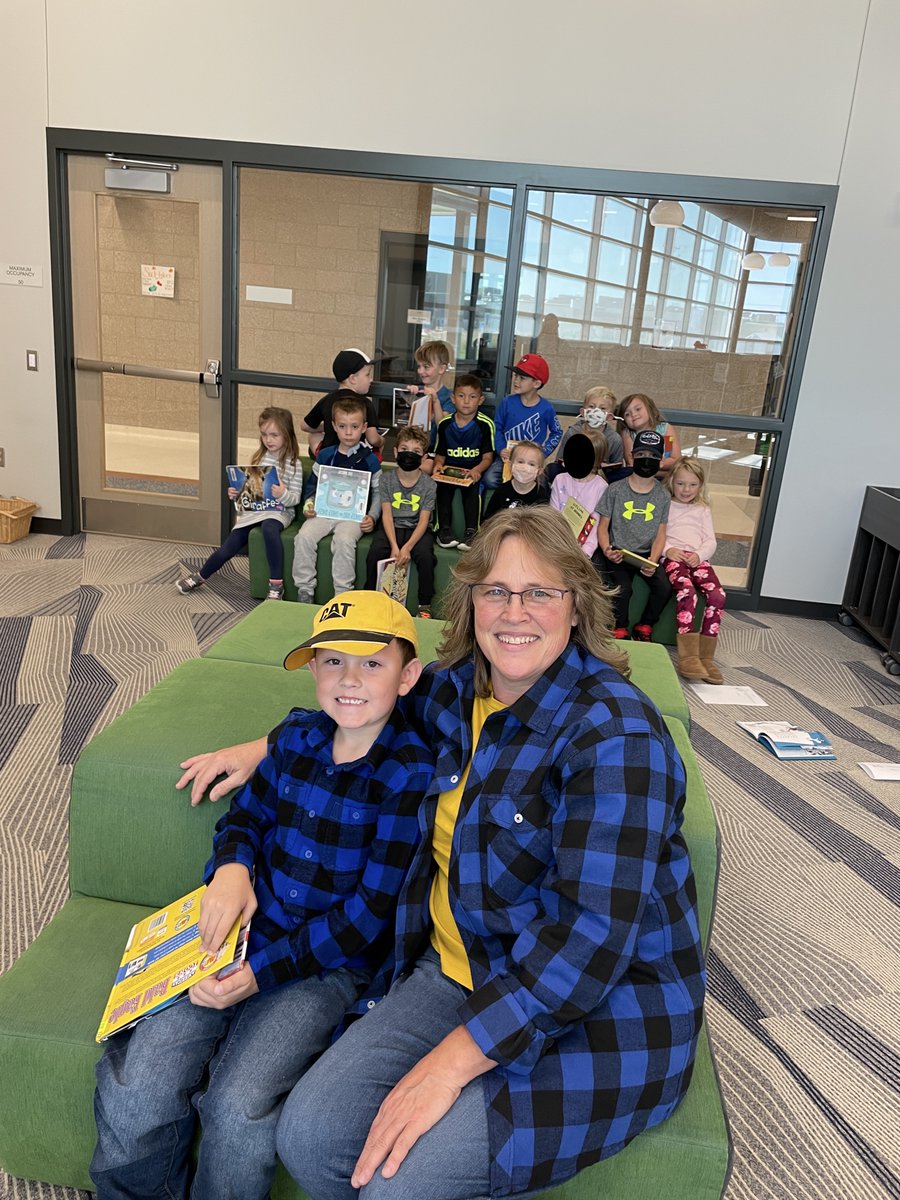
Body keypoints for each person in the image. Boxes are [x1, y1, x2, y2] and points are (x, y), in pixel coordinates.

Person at [177, 506, 704, 1200]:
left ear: (576, 607)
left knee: (399, 1181)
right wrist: (261, 750)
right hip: (458, 969)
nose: (515, 612)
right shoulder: (457, 690)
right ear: (471, 602)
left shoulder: (616, 735)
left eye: (540, 592)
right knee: (309, 1138)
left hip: (599, 1011)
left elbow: (588, 942)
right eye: (496, 591)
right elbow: (359, 706)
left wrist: (449, 1065)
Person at [91, 593, 433, 1200]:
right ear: (312, 669)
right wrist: (232, 869)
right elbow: (243, 821)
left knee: (238, 1107)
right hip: (236, 933)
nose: (348, 680)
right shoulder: (297, 738)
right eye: (331, 662)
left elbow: (365, 920)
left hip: (321, 970)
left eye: (372, 664)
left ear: (407, 676)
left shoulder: (407, 774)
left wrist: (258, 974)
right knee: (138, 1083)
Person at [176, 406, 303, 602]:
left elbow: (295, 499)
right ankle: (200, 576)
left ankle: (276, 584)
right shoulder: (259, 458)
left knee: (270, 529)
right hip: (255, 511)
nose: (268, 440)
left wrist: (283, 493)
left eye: (274, 435)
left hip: (280, 512)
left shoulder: (295, 464)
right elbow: (249, 490)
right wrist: (235, 493)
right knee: (229, 546)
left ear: (287, 435)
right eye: (264, 435)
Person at [293, 397, 381, 604]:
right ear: (334, 426)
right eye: (342, 426)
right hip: (324, 512)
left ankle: (342, 595)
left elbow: (378, 493)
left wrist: (373, 517)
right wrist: (309, 504)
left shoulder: (370, 460)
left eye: (354, 426)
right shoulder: (325, 456)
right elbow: (312, 487)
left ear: (364, 428)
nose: (348, 432)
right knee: (303, 537)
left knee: (344, 541)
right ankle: (305, 590)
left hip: (353, 517)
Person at [596, 429, 673, 641]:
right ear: (632, 456)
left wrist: (653, 560)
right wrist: (607, 550)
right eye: (641, 455)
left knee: (664, 587)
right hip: (618, 553)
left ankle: (645, 625)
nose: (646, 460)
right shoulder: (615, 489)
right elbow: (603, 527)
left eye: (653, 456)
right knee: (623, 588)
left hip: (646, 555)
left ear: (660, 460)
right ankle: (620, 627)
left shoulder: (663, 495)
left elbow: (661, 533)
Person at [663, 457, 727, 683]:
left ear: (700, 485)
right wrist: (668, 550)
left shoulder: (702, 509)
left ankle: (706, 657)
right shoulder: (665, 503)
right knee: (687, 592)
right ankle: (689, 656)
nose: (686, 489)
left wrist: (700, 555)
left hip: (698, 559)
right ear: (671, 482)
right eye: (680, 483)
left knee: (718, 595)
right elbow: (657, 535)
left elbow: (711, 541)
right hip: (674, 558)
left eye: (692, 484)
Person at [364, 425, 436, 619]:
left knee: (426, 556)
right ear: (395, 452)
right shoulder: (387, 480)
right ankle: (370, 597)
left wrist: (408, 547)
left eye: (416, 451)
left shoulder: (429, 485)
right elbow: (386, 514)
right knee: (375, 552)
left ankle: (425, 604)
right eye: (404, 450)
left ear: (424, 457)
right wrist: (395, 546)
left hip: (417, 530)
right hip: (391, 527)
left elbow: (424, 520)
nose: (409, 455)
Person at [432, 374, 495, 552]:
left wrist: (478, 470)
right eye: (461, 396)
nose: (466, 401)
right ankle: (443, 530)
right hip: (449, 471)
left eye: (472, 396)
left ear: (480, 400)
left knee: (473, 490)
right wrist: (437, 465)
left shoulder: (485, 424)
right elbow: (440, 455)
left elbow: (488, 458)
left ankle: (472, 532)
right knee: (442, 488)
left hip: (471, 470)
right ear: (453, 398)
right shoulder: (445, 424)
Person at [483, 353, 562, 489]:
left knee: (542, 485)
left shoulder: (546, 408)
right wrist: (501, 448)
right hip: (507, 458)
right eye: (515, 376)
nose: (516, 381)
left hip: (531, 462)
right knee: (490, 478)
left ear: (536, 383)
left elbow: (557, 432)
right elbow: (497, 427)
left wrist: (542, 453)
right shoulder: (507, 402)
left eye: (522, 378)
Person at [302, 348, 384, 457]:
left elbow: (305, 426)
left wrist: (329, 425)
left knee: (313, 436)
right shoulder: (365, 403)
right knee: (378, 445)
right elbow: (373, 439)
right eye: (367, 374)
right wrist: (382, 441)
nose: (371, 379)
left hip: (330, 458)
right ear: (353, 378)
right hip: (356, 459)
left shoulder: (327, 399)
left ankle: (321, 460)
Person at [549, 430, 609, 560]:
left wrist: (584, 551)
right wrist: (557, 543)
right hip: (558, 542)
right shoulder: (560, 479)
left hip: (584, 549)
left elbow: (596, 525)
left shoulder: (601, 487)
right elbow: (552, 515)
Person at [555, 385, 626, 479]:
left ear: (609, 417)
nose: (596, 411)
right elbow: (559, 461)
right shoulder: (573, 432)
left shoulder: (614, 439)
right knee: (553, 469)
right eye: (591, 406)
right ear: (583, 412)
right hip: (572, 477)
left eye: (603, 408)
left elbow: (617, 469)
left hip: (601, 480)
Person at [407, 340, 453, 468]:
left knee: (422, 468)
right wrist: (409, 397)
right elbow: (408, 425)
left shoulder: (449, 397)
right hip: (414, 449)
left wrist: (435, 400)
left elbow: (442, 425)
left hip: (437, 453)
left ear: (442, 368)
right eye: (419, 366)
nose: (421, 371)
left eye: (426, 366)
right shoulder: (418, 392)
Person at [481, 440, 549, 522]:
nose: (525, 468)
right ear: (510, 465)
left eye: (531, 464)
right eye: (520, 462)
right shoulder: (502, 490)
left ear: (539, 471)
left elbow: (543, 527)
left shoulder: (542, 496)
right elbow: (488, 520)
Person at [619, 392, 681, 476]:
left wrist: (652, 467)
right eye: (627, 414)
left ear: (650, 409)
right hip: (640, 478)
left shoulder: (666, 429)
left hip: (665, 479)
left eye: (638, 409)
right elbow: (632, 464)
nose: (633, 414)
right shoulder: (628, 433)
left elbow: (675, 460)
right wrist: (659, 471)